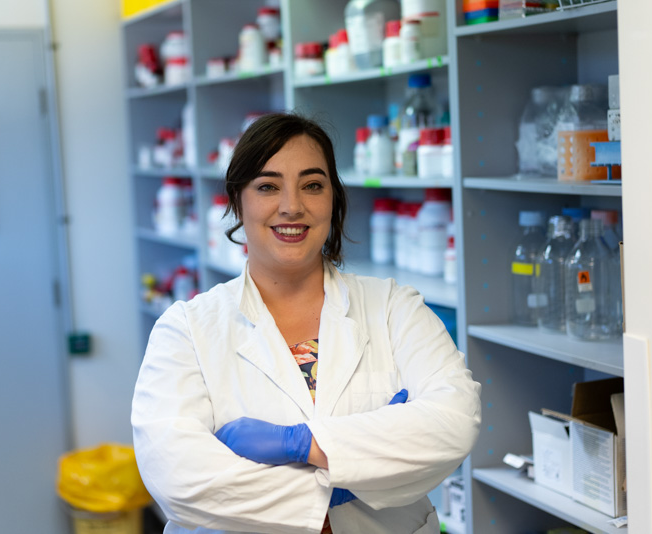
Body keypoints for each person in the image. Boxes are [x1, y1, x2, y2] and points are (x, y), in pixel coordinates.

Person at [131, 112, 481, 534]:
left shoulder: (394, 308)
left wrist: (301, 445)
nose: (292, 206)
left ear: (333, 197)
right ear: (237, 200)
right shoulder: (185, 330)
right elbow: (179, 479)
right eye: (267, 186)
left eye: (312, 185)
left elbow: (454, 422)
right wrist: (350, 473)